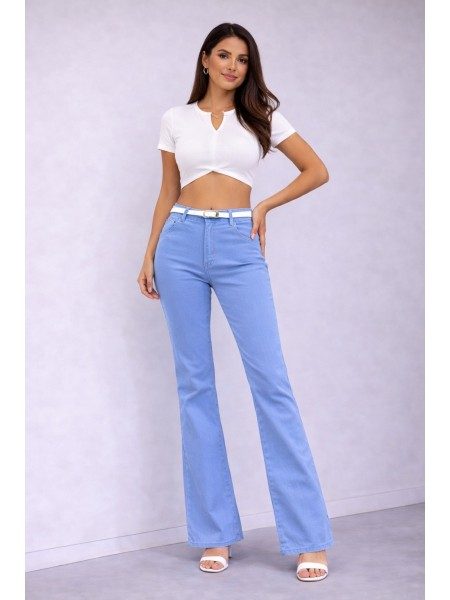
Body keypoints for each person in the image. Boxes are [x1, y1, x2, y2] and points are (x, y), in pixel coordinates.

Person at [137, 22, 333, 582]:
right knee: (195, 385)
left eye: (242, 59)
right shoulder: (176, 119)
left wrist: (263, 207)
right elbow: (167, 191)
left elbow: (316, 170)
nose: (232, 66)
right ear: (205, 59)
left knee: (271, 383)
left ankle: (308, 538)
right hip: (179, 244)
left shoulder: (262, 115)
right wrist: (149, 254)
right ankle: (213, 531)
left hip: (237, 242)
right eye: (223, 55)